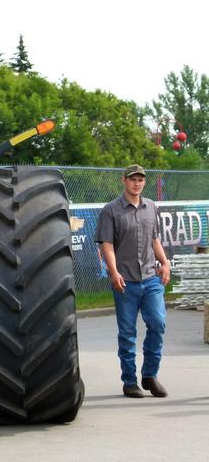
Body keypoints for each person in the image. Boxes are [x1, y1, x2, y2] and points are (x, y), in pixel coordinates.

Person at [95, 164, 170, 398]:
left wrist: (165, 262)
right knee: (127, 334)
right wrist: (113, 271)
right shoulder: (111, 210)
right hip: (125, 281)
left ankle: (150, 376)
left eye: (140, 180)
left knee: (158, 323)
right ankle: (129, 382)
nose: (137, 183)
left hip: (150, 278)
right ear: (124, 181)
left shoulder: (151, 207)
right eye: (133, 179)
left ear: (144, 182)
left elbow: (154, 240)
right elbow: (107, 245)